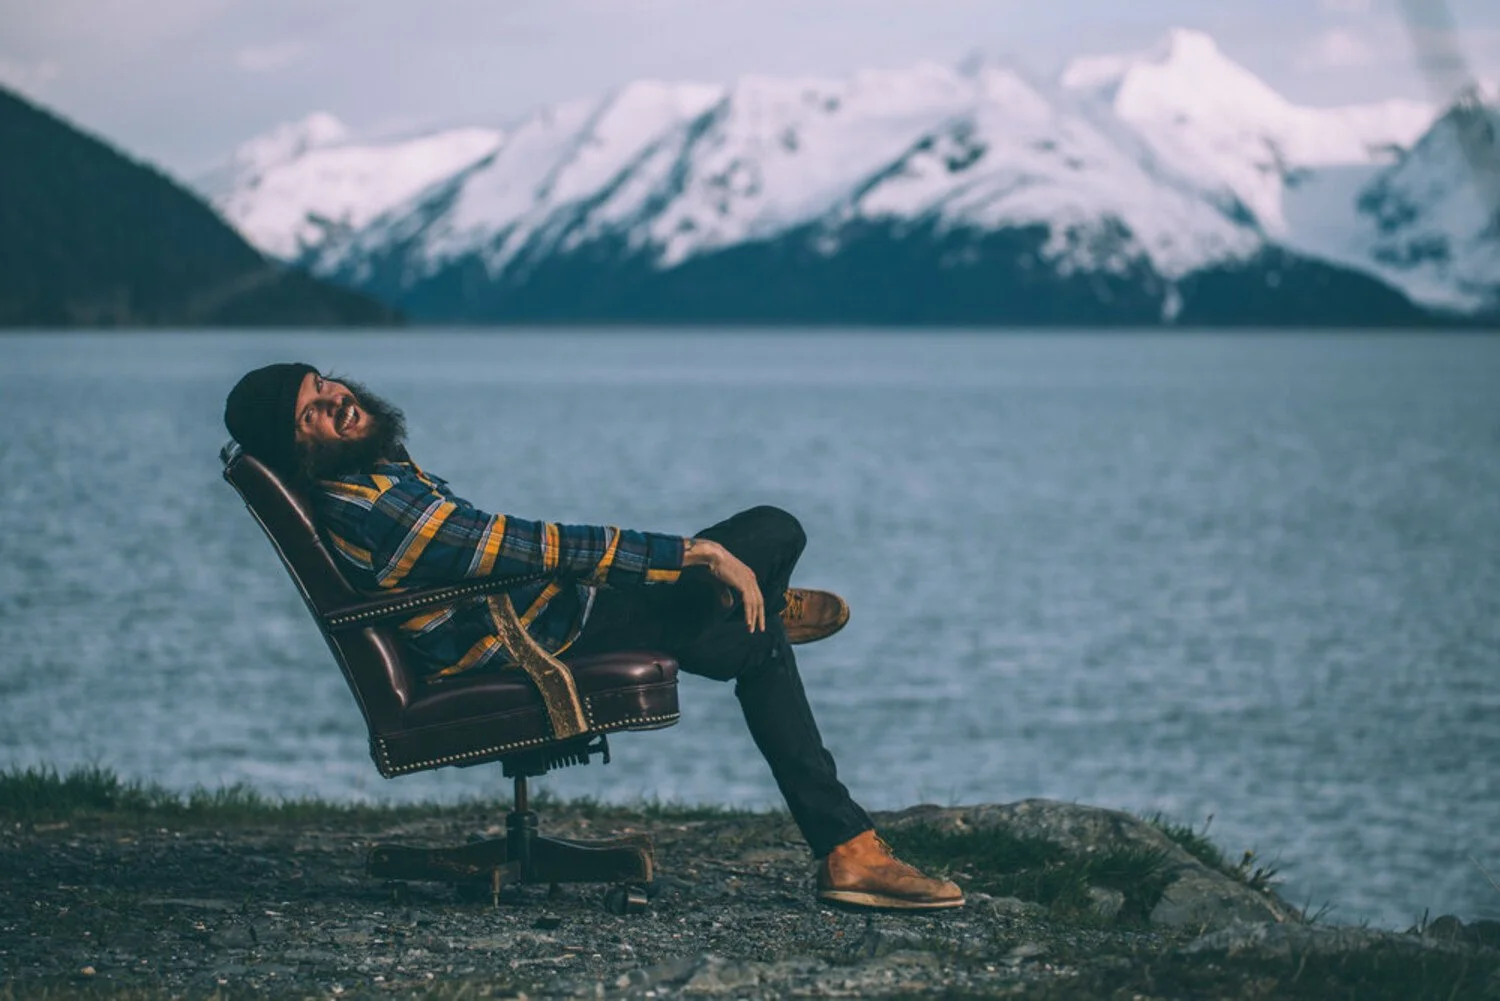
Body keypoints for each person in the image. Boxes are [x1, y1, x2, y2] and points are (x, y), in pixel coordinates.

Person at [224, 362, 962, 911]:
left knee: (753, 584)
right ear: (298, 451)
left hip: (546, 613)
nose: (336, 402)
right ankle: (844, 839)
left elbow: (500, 550)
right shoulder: (370, 507)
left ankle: (742, 612)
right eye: (312, 414)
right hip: (538, 634)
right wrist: (690, 553)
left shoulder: (372, 476)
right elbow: (515, 544)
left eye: (325, 387)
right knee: (769, 544)